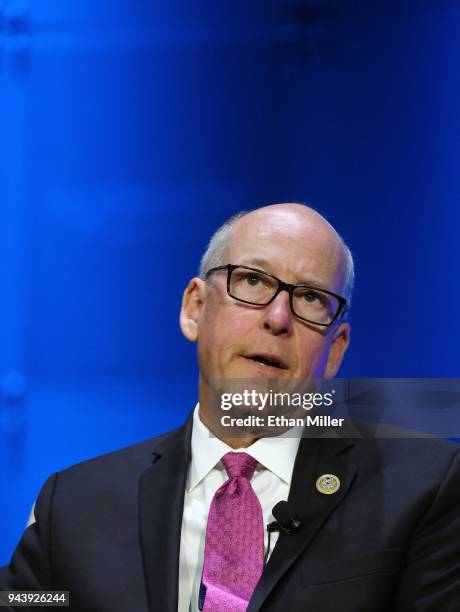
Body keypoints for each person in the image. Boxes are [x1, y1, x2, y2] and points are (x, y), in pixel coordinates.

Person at [1, 203, 459, 611]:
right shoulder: (76, 504)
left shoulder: (422, 490)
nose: (278, 318)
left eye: (311, 298)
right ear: (195, 308)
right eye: (253, 281)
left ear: (335, 350)